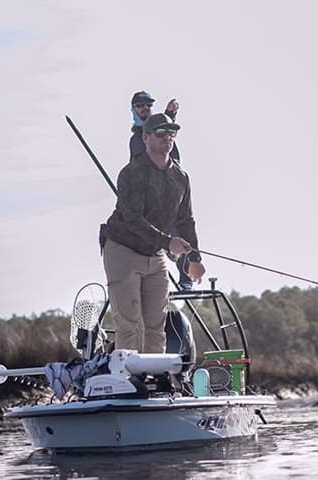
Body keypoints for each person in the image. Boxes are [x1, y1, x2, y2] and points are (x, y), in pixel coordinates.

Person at [100, 113, 206, 353]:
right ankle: (127, 373)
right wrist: (168, 242)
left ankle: (155, 373)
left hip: (155, 255)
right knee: (129, 324)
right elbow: (133, 220)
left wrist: (195, 259)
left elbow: (186, 220)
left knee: (157, 325)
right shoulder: (132, 172)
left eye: (172, 132)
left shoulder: (181, 178)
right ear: (146, 137)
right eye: (161, 132)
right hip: (122, 249)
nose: (167, 137)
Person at [128, 90, 190, 287]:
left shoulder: (163, 134)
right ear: (133, 109)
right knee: (150, 236)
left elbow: (164, 131)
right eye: (140, 105)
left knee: (181, 232)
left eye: (148, 105)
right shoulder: (137, 139)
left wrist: (171, 114)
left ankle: (185, 278)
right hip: (150, 199)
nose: (145, 108)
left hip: (171, 193)